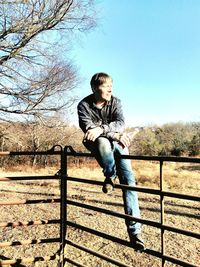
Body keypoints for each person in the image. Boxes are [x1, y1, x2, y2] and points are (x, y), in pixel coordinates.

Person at [77, 72, 145, 251]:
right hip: (99, 145)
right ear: (94, 88)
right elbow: (89, 131)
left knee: (130, 184)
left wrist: (106, 131)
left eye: (111, 85)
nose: (110, 89)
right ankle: (110, 174)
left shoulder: (116, 102)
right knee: (101, 142)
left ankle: (135, 232)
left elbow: (120, 122)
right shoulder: (83, 105)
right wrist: (110, 133)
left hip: (118, 143)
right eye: (105, 86)